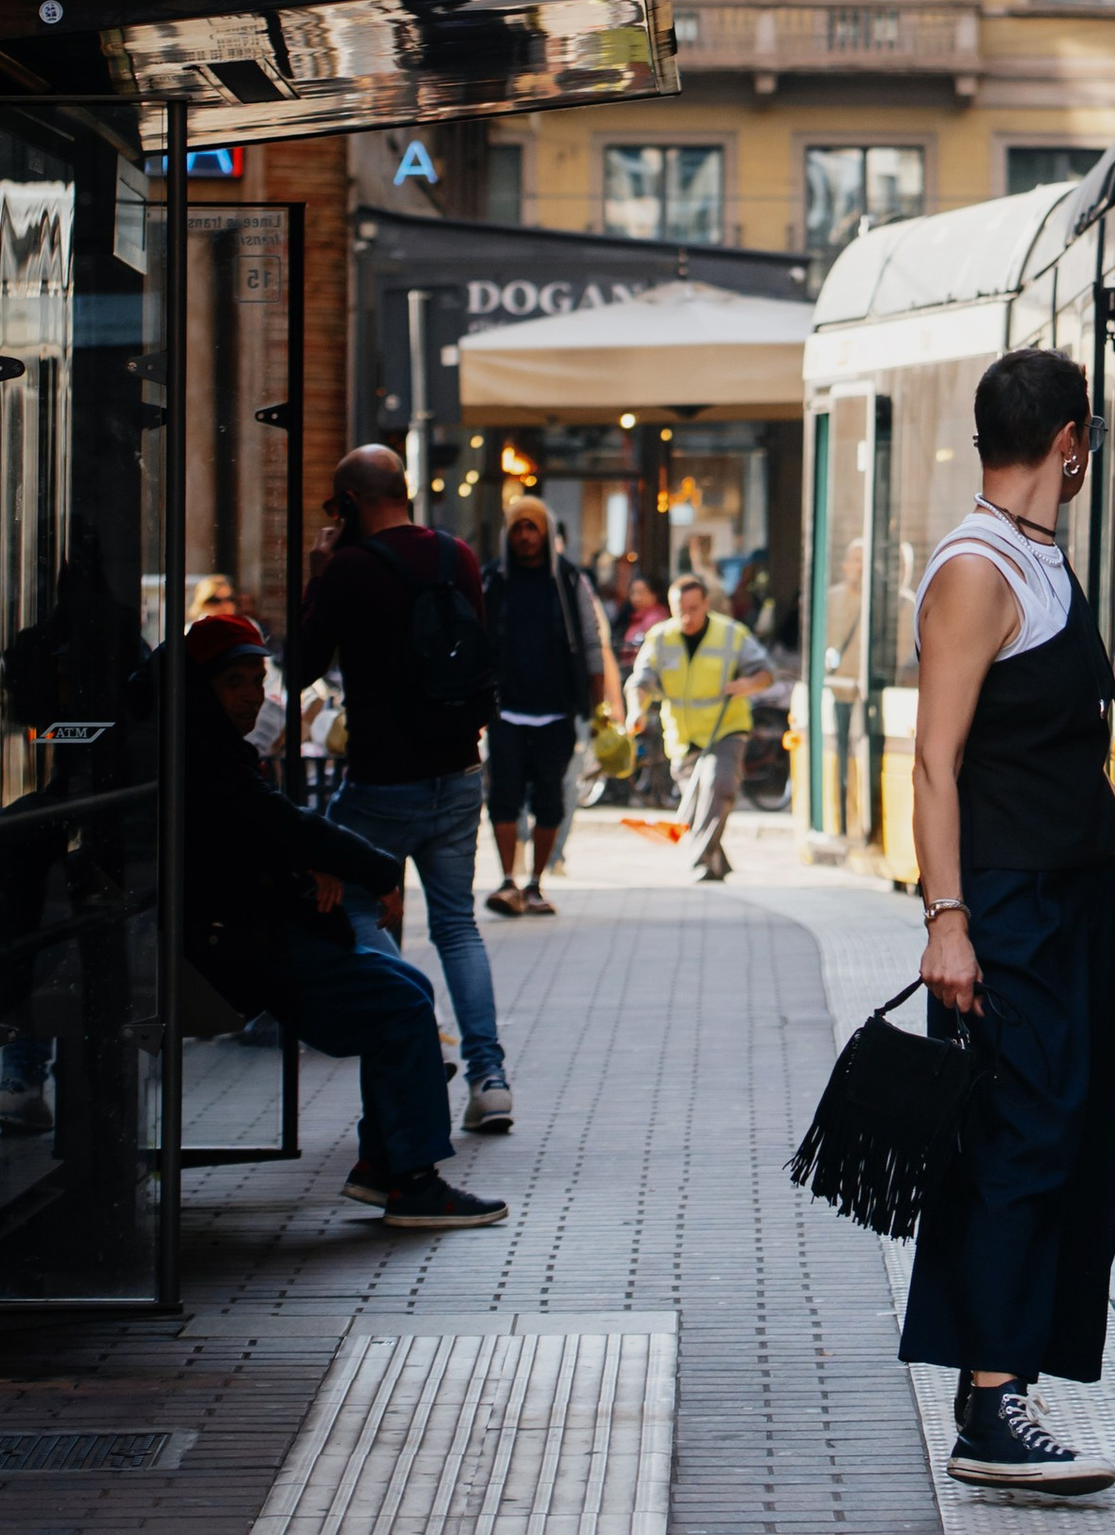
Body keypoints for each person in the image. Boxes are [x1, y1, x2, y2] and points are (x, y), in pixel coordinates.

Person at [904, 348, 1115, 1500]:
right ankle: (986, 1405)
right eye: (1088, 440)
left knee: (1081, 1140)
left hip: (1078, 895)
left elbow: (1063, 747)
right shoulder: (976, 570)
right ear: (1070, 441)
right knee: (1017, 1141)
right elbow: (934, 763)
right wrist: (948, 920)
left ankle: (1010, 1385)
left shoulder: (1045, 559)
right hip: (1010, 904)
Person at [179, 612, 503, 1230]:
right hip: (238, 947)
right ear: (203, 690)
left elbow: (265, 833)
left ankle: (385, 1167)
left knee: (410, 991)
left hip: (247, 932)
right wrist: (372, 867)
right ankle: (412, 1181)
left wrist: (310, 865)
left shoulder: (213, 749)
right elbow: (277, 825)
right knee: (400, 1007)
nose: (252, 695)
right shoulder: (209, 758)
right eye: (235, 683)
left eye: (258, 679)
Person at [291, 445, 514, 1135]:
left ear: (350, 503)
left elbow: (300, 664)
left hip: (382, 781)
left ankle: (408, 1017)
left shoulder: (351, 568)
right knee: (456, 924)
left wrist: (318, 574)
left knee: (349, 907)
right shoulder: (458, 556)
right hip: (459, 772)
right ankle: (490, 1077)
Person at [482, 503, 620, 914]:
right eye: (518, 528)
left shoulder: (569, 580)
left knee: (550, 800)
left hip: (557, 711)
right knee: (503, 798)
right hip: (504, 711)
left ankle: (535, 884)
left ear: (545, 532)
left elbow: (592, 644)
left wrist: (598, 710)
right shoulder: (493, 579)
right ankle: (507, 880)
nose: (525, 536)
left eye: (533, 528)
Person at [627, 572, 770, 879]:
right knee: (699, 807)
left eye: (693, 608)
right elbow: (640, 681)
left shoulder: (733, 634)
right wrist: (634, 711)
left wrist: (746, 684)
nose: (687, 617)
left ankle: (701, 862)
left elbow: (765, 673)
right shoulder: (660, 638)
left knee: (718, 786)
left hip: (726, 728)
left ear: (706, 603)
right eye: (680, 610)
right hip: (683, 736)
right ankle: (717, 863)